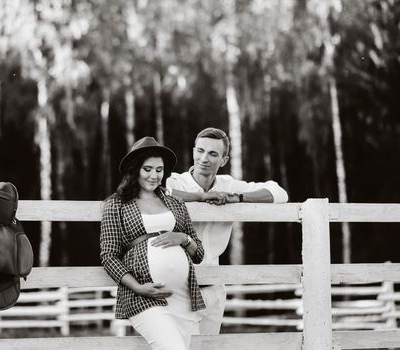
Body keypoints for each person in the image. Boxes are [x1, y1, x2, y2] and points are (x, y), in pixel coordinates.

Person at [166, 127, 289, 335]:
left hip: (213, 289)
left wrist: (237, 198)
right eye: (201, 151)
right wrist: (200, 197)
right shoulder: (174, 181)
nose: (204, 158)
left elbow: (279, 193)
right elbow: (157, 192)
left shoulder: (228, 185)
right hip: (177, 289)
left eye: (213, 154)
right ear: (193, 151)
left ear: (223, 160)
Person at [100, 136, 206, 350]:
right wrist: (139, 288)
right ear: (135, 169)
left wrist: (183, 239)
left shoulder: (175, 203)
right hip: (144, 296)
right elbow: (109, 256)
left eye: (159, 170)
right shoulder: (116, 204)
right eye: (147, 169)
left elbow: (199, 254)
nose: (154, 175)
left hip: (184, 297)